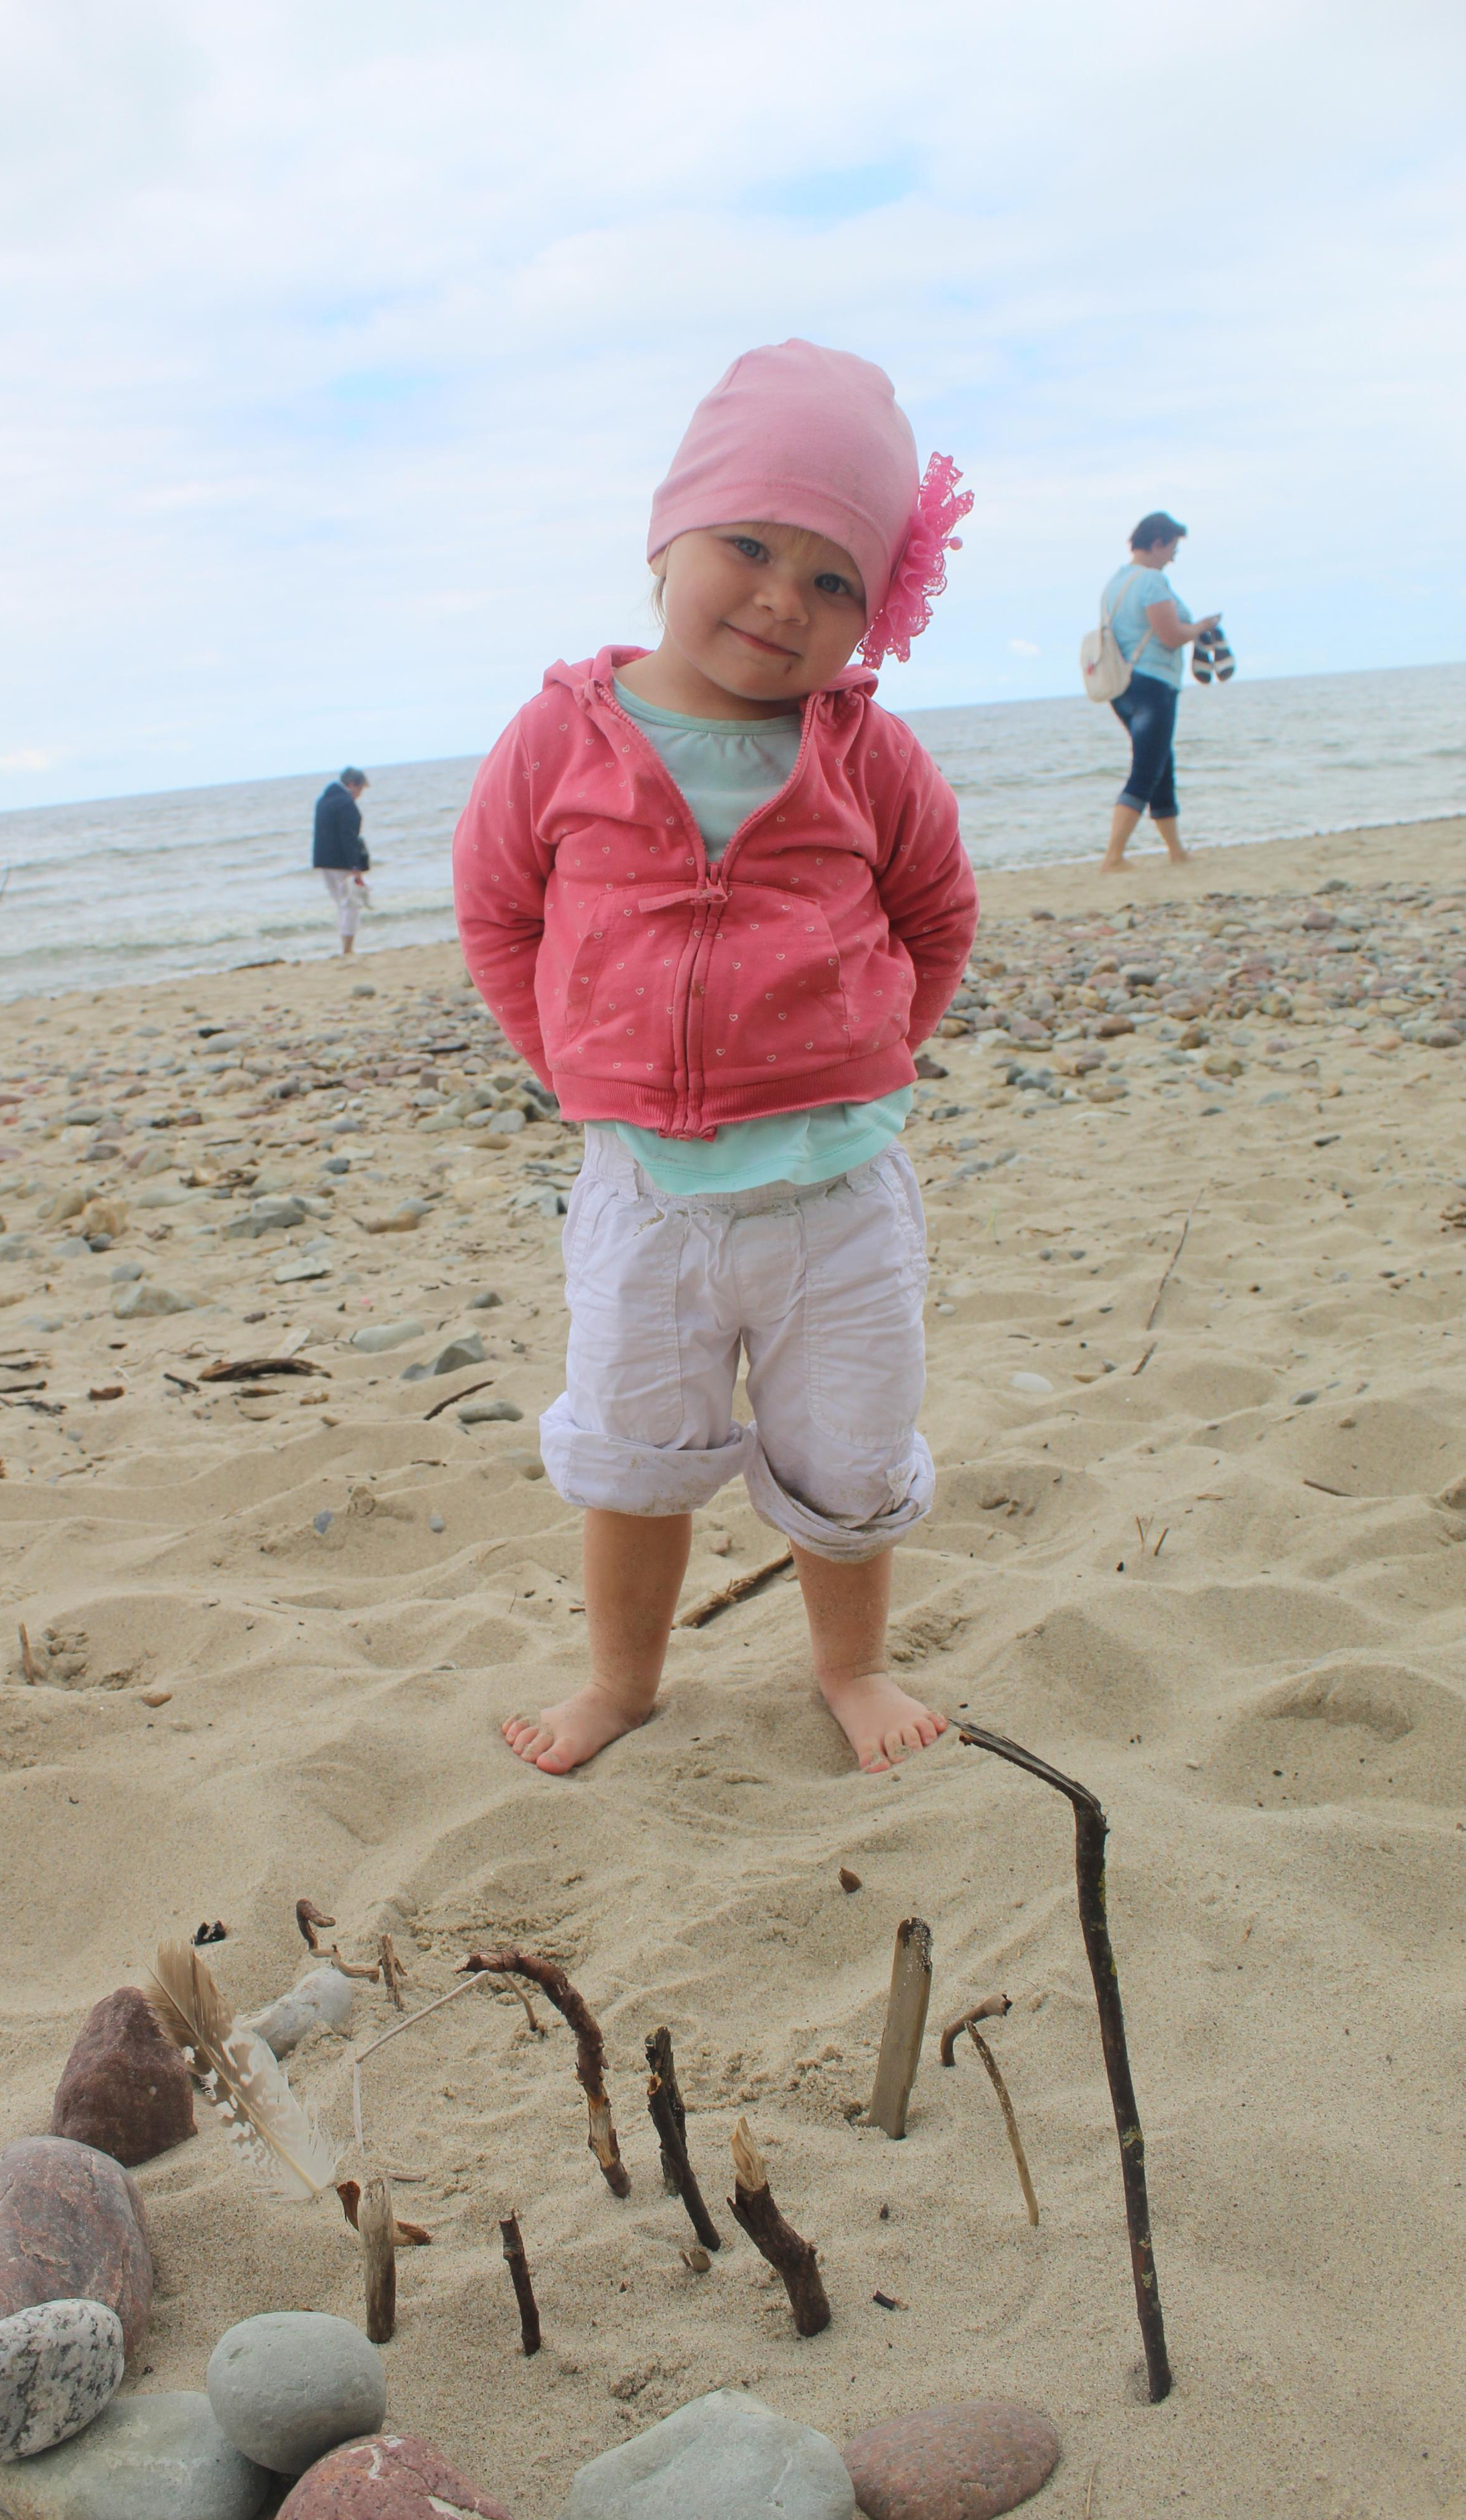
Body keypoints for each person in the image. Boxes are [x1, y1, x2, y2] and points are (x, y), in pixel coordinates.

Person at [454, 339, 978, 1779]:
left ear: (871, 614)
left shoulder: (866, 753)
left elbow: (934, 911)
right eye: (748, 545)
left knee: (848, 1454)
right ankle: (620, 1680)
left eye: (831, 582)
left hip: (840, 1199)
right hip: (645, 1196)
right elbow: (498, 910)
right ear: (666, 533)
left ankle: (850, 1666)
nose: (777, 600)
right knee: (631, 1457)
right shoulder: (560, 737)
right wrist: (572, 1066)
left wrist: (865, 1043)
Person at [1099, 514, 1222, 873]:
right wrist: (1200, 627)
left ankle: (1176, 851)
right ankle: (1114, 857)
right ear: (1157, 543)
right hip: (1153, 685)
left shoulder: (1115, 583)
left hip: (1123, 687)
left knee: (1160, 765)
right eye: (1172, 548)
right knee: (1147, 769)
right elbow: (1170, 635)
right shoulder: (1152, 582)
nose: (1172, 557)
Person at [311, 765, 372, 954]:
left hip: (323, 860)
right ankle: (347, 948)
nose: (359, 795)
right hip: (341, 862)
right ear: (352, 785)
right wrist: (355, 865)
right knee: (350, 904)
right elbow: (348, 836)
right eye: (360, 789)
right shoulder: (345, 803)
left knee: (342, 903)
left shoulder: (324, 800)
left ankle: (345, 944)